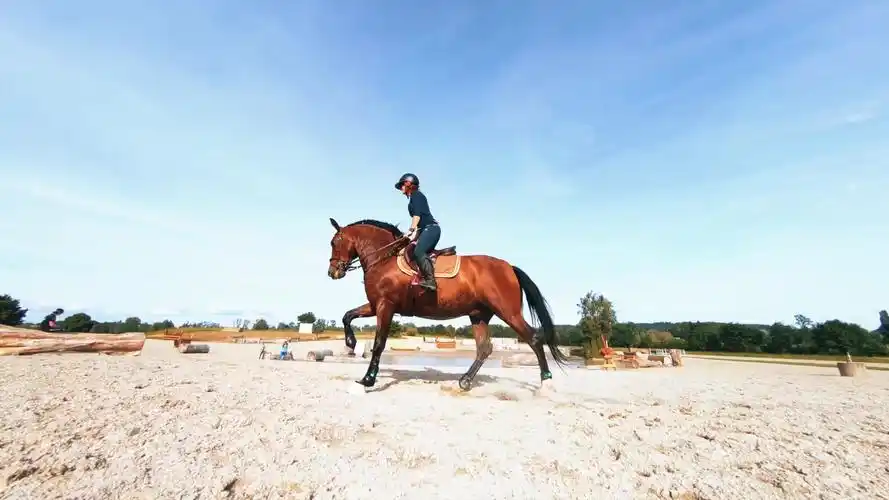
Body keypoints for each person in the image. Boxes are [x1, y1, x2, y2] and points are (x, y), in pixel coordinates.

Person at [394, 173, 440, 291]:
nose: (401, 189)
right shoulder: (412, 199)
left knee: (419, 251)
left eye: (402, 185)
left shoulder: (416, 195)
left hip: (431, 229)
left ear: (408, 184)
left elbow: (417, 216)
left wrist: (411, 230)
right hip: (424, 230)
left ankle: (431, 281)